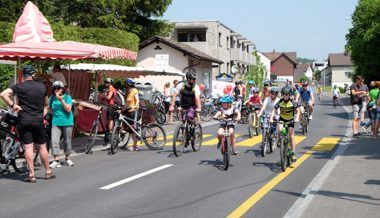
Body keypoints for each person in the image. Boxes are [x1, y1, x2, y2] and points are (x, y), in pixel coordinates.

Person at [0, 65, 55, 182]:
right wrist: (43, 114)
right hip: (38, 120)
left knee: (28, 147)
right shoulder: (42, 87)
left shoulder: (19, 87)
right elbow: (46, 104)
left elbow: (3, 94)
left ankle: (31, 175)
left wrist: (13, 105)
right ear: (33, 74)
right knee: (42, 146)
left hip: (24, 120)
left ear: (23, 76)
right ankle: (48, 172)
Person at [48, 81, 74, 168]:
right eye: (54, 88)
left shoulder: (67, 97)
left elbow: (68, 109)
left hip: (67, 122)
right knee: (54, 140)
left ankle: (67, 158)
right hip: (56, 122)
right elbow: (47, 108)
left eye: (58, 88)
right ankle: (56, 160)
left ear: (62, 89)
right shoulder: (52, 98)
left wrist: (61, 100)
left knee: (67, 140)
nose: (56, 90)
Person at [270, 86, 300, 162]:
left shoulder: (293, 102)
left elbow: (298, 110)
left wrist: (297, 118)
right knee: (279, 130)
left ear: (290, 95)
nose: (285, 96)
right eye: (284, 94)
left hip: (290, 120)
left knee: (291, 136)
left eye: (287, 95)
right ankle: (280, 141)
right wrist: (271, 118)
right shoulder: (280, 102)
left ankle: (293, 153)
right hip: (282, 119)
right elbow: (274, 109)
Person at [124, 78, 140, 151]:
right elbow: (127, 103)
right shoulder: (128, 92)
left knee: (132, 129)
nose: (126, 86)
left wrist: (136, 105)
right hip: (129, 111)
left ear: (129, 84)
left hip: (134, 111)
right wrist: (122, 108)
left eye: (126, 84)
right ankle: (135, 144)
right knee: (130, 128)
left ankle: (135, 146)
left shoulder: (134, 90)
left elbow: (137, 99)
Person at [100, 78, 117, 142]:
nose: (105, 83)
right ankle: (109, 133)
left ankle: (110, 133)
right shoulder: (110, 89)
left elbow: (109, 97)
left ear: (110, 83)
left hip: (111, 106)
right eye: (105, 82)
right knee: (109, 120)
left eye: (106, 82)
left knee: (110, 120)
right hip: (110, 106)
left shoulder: (111, 89)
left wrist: (102, 96)